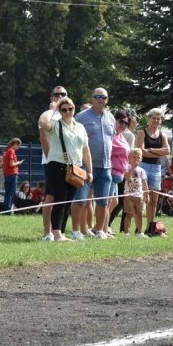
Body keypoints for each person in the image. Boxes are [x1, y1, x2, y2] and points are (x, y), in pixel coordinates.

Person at [40, 96, 92, 241]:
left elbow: (86, 150)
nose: (68, 112)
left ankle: (61, 232)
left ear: (74, 109)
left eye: (70, 109)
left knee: (68, 201)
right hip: (56, 165)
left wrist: (90, 170)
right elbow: (43, 122)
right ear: (60, 111)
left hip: (75, 168)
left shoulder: (80, 127)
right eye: (64, 110)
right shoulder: (56, 125)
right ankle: (55, 233)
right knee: (60, 199)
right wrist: (53, 109)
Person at [73, 88, 115, 239]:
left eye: (103, 97)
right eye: (97, 97)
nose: (100, 99)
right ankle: (76, 231)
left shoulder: (111, 118)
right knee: (81, 200)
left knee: (103, 202)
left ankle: (99, 231)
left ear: (107, 99)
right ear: (92, 99)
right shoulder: (81, 117)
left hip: (105, 166)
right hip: (85, 166)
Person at [136, 108, 171, 235]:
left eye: (158, 118)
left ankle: (150, 227)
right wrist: (157, 152)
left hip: (156, 168)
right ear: (149, 118)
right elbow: (141, 152)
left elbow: (167, 151)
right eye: (154, 118)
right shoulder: (142, 133)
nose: (156, 120)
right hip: (143, 166)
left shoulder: (162, 135)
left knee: (154, 200)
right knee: (141, 198)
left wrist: (150, 150)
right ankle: (138, 227)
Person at [38, 86, 67, 239]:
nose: (60, 96)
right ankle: (47, 232)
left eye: (63, 94)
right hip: (51, 161)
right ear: (52, 97)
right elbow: (44, 137)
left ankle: (59, 230)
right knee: (50, 196)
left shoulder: (67, 114)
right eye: (56, 94)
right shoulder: (48, 115)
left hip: (66, 162)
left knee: (62, 196)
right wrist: (50, 158)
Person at [107, 109, 132, 235]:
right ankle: (102, 227)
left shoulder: (121, 136)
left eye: (126, 123)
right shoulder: (111, 135)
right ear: (114, 120)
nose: (123, 125)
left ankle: (105, 226)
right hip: (110, 173)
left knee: (115, 201)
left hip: (120, 175)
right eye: (121, 121)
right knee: (110, 201)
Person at [122, 148, 149, 237]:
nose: (136, 159)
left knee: (139, 214)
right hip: (128, 195)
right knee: (129, 213)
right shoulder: (126, 167)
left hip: (139, 195)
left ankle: (139, 232)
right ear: (129, 157)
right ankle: (126, 233)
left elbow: (144, 184)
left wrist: (146, 194)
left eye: (138, 157)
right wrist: (132, 168)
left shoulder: (142, 171)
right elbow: (126, 177)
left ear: (141, 159)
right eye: (134, 157)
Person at [2, 138, 24, 213]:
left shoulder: (6, 151)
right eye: (18, 146)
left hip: (7, 175)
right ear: (15, 144)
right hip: (12, 174)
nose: (18, 148)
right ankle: (7, 210)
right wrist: (18, 163)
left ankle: (5, 209)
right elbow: (11, 164)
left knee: (8, 192)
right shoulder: (11, 151)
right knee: (11, 193)